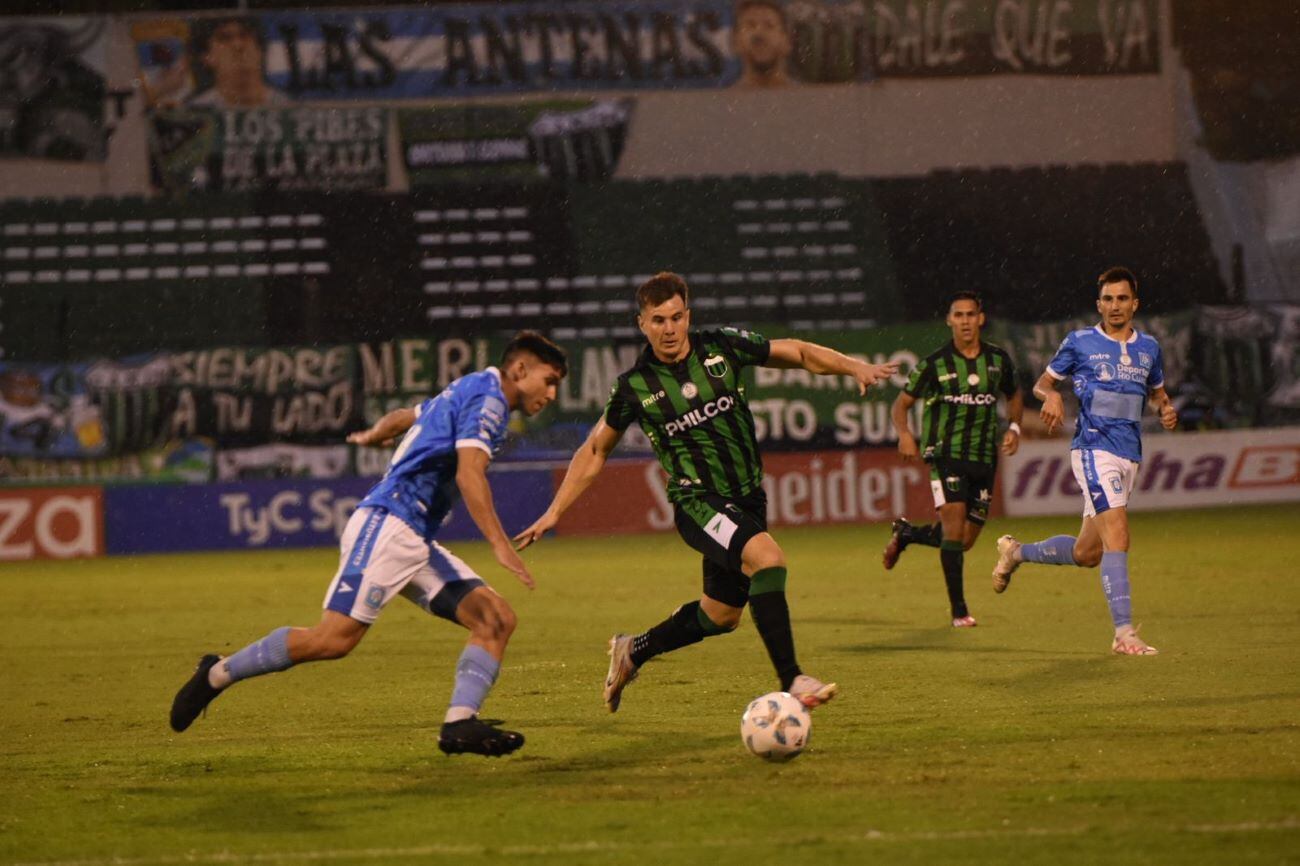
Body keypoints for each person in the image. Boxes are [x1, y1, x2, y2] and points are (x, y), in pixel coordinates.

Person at [169, 332, 568, 756]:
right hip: (389, 524)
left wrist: (373, 435)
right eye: (549, 379)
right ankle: (217, 674)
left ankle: (458, 724)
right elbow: (471, 474)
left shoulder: (469, 388)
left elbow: (404, 416)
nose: (552, 392)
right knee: (333, 639)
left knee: (496, 620)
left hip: (413, 536)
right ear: (520, 369)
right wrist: (499, 544)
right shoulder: (488, 400)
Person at [514, 272, 897, 713]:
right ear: (642, 324)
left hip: (748, 497)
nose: (670, 328)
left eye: (677, 317)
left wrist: (853, 366)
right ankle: (792, 678)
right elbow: (596, 448)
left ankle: (632, 650)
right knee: (768, 560)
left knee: (721, 615)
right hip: (698, 503)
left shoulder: (722, 347)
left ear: (688, 316)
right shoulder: (634, 387)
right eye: (658, 320)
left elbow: (799, 352)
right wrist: (555, 510)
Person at [991, 267, 1178, 656]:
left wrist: (1166, 409)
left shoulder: (1149, 349)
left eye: (1122, 298)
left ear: (1134, 304)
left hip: (1130, 454)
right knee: (1119, 535)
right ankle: (1124, 634)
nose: (1114, 306)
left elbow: (1158, 393)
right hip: (1093, 449)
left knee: (1087, 554)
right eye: (1108, 299)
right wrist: (1052, 397)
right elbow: (1042, 384)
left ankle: (1016, 552)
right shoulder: (1079, 343)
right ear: (1099, 304)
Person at [883, 291, 1023, 627]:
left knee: (963, 540)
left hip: (984, 458)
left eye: (970, 315)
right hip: (946, 455)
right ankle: (959, 611)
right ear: (949, 320)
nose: (964, 321)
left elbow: (1014, 393)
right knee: (953, 525)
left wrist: (1015, 427)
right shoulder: (933, 365)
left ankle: (907, 535)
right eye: (958, 315)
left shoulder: (997, 360)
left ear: (981, 318)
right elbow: (901, 405)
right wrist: (905, 434)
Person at [188, 17, 288, 109]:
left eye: (245, 35)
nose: (238, 45)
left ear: (259, 49)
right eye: (224, 38)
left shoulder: (288, 108)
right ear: (206, 56)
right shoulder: (194, 113)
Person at [732, 0, 795, 88]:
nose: (759, 33)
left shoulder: (808, 99)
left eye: (769, 25)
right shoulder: (721, 100)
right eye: (750, 25)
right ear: (735, 42)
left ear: (787, 41)